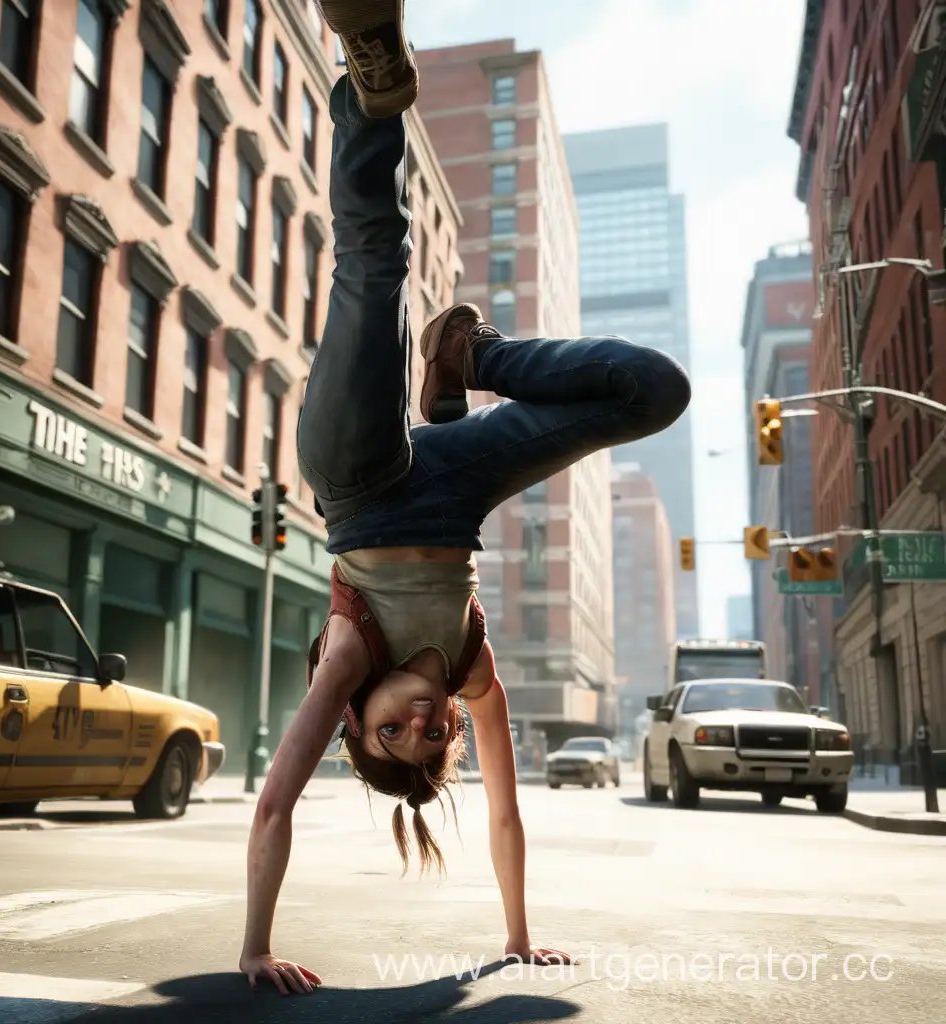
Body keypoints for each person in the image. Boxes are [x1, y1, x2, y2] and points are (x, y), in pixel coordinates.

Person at [240, 0, 691, 996]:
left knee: (374, 268)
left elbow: (272, 806)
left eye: (391, 733)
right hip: (455, 488)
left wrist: (253, 947)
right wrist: (518, 935)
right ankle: (471, 355)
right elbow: (503, 810)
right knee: (653, 391)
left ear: (354, 721)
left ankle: (367, 87)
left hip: (355, 478)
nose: (422, 724)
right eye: (430, 739)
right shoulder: (474, 676)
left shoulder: (353, 655)